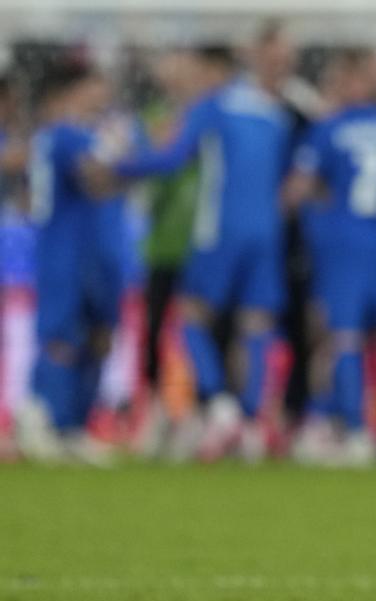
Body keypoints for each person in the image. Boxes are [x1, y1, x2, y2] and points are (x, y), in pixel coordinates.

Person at [106, 27, 296, 462]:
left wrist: (119, 165)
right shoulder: (274, 112)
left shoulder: (211, 107)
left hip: (219, 229)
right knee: (256, 325)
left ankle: (219, 407)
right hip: (267, 233)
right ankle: (252, 421)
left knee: (190, 316)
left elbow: (174, 158)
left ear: (213, 70)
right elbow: (285, 181)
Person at [284, 49, 376, 467]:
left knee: (345, 338)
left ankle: (356, 432)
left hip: (346, 245)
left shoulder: (328, 129)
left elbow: (297, 190)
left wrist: (310, 213)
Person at [16, 62, 122, 464]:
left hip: (72, 247)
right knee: (62, 338)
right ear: (69, 93)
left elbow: (30, 194)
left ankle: (71, 425)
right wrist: (135, 165)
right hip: (71, 249)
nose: (101, 94)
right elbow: (96, 178)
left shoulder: (48, 138)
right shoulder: (70, 133)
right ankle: (51, 420)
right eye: (94, 86)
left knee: (95, 334)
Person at [134, 46, 234, 456]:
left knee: (209, 327)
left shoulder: (218, 115)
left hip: (205, 243)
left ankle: (206, 413)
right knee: (157, 329)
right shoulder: (154, 117)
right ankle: (158, 411)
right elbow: (152, 164)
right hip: (164, 242)